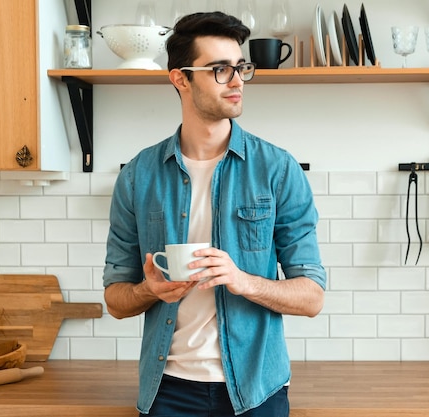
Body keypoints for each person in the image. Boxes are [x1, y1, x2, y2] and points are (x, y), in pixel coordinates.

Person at [103, 11, 326, 417]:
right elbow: (116, 300)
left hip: (257, 392)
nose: (238, 80)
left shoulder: (277, 170)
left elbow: (311, 297)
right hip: (166, 393)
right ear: (180, 78)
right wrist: (149, 291)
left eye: (240, 67)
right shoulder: (138, 176)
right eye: (220, 70)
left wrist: (243, 281)